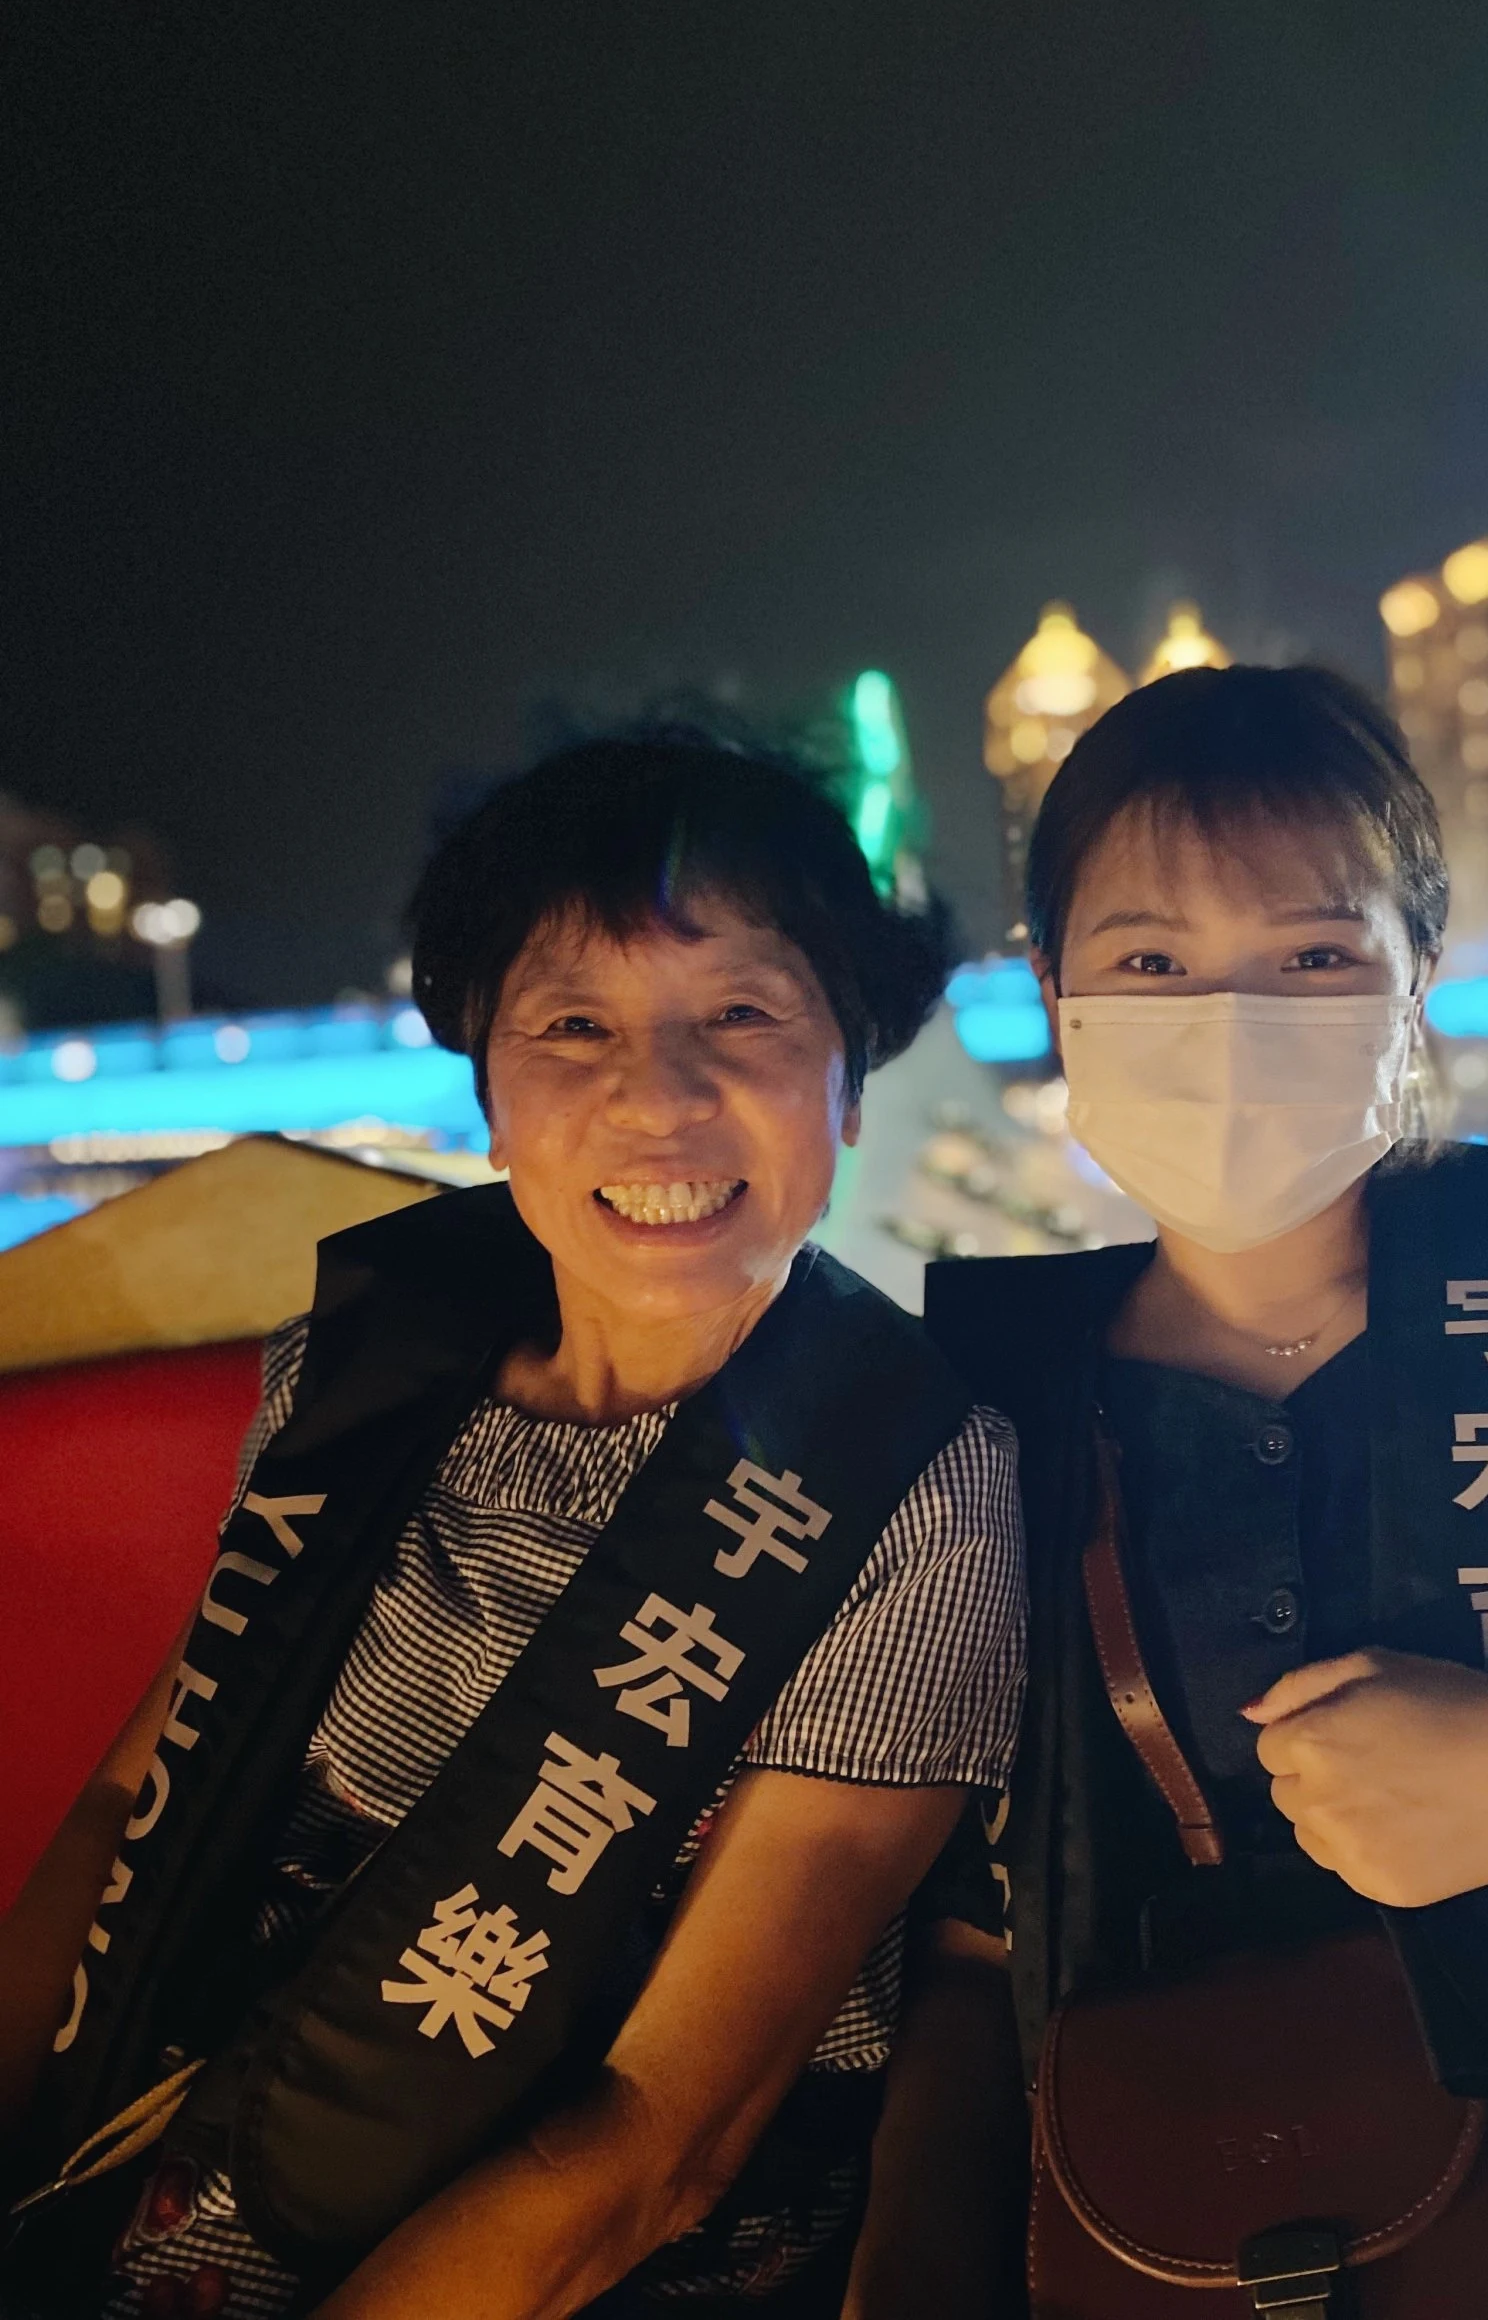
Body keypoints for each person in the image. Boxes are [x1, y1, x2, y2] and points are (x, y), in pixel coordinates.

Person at [0, 729, 1025, 2320]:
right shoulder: (358, 1366)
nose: (657, 1098)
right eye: (573, 1025)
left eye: (742, 1015)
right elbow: (137, 1795)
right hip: (167, 2158)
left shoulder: (916, 1489)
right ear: (488, 1095)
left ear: (849, 1081)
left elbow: (662, 2138)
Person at [884, 664, 1488, 2317]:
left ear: (1416, 977)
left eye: (1312, 956)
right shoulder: (990, 1394)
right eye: (1153, 962)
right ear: (1055, 992)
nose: (1229, 1020)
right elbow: (963, 1927)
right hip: (1191, 2234)